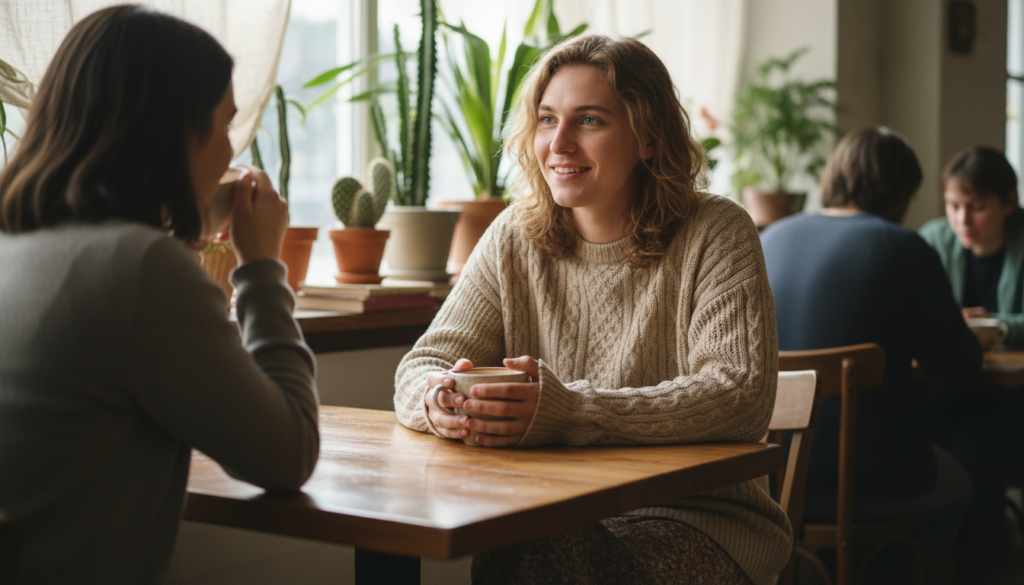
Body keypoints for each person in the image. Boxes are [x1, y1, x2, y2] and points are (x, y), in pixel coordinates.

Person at [394, 34, 791, 585]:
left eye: (589, 121)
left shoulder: (716, 231)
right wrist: (439, 402)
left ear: (648, 138)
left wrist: (572, 411)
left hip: (699, 519)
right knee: (526, 536)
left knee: (534, 550)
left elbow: (739, 395)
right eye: (547, 119)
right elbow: (423, 364)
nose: (559, 143)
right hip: (561, 506)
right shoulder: (514, 234)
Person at [0, 6, 319, 584]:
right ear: (173, 135)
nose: (230, 150)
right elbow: (288, 453)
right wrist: (262, 264)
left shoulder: (16, 247)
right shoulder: (142, 267)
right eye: (223, 126)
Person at [760, 127, 980, 583]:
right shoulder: (901, 247)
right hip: (871, 480)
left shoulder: (770, 238)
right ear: (902, 191)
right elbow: (959, 365)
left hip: (772, 474)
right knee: (960, 482)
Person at [919, 145, 1024, 582]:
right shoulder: (933, 239)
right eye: (954, 206)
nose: (963, 220)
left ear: (1008, 202)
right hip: (950, 383)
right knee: (927, 437)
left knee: (975, 449)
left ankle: (983, 561)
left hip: (1011, 392)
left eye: (977, 207)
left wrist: (998, 326)